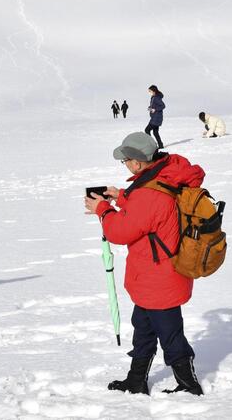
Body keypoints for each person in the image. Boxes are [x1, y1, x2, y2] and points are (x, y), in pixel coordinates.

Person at [83, 132, 205, 396]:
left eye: (126, 160)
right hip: (155, 276)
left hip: (159, 279)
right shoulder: (163, 175)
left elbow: (120, 231)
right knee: (143, 331)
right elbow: (151, 208)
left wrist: (103, 210)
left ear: (138, 162)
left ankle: (189, 385)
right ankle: (136, 380)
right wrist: (123, 196)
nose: (125, 165)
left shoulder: (149, 194)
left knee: (171, 336)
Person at [144, 85, 165, 149]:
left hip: (156, 118)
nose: (149, 92)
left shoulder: (156, 98)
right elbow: (154, 106)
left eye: (150, 91)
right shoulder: (153, 97)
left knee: (147, 130)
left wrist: (155, 109)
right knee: (155, 132)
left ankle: (151, 145)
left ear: (153, 91)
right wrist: (150, 108)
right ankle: (160, 145)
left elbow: (163, 106)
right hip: (155, 118)